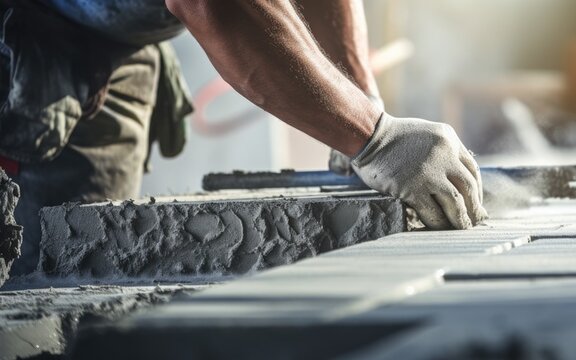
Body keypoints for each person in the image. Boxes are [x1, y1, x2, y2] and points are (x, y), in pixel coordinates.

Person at [0, 0, 487, 275]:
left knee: (90, 269)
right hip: (22, 35)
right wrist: (375, 138)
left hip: (114, 38)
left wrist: (361, 105)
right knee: (32, 284)